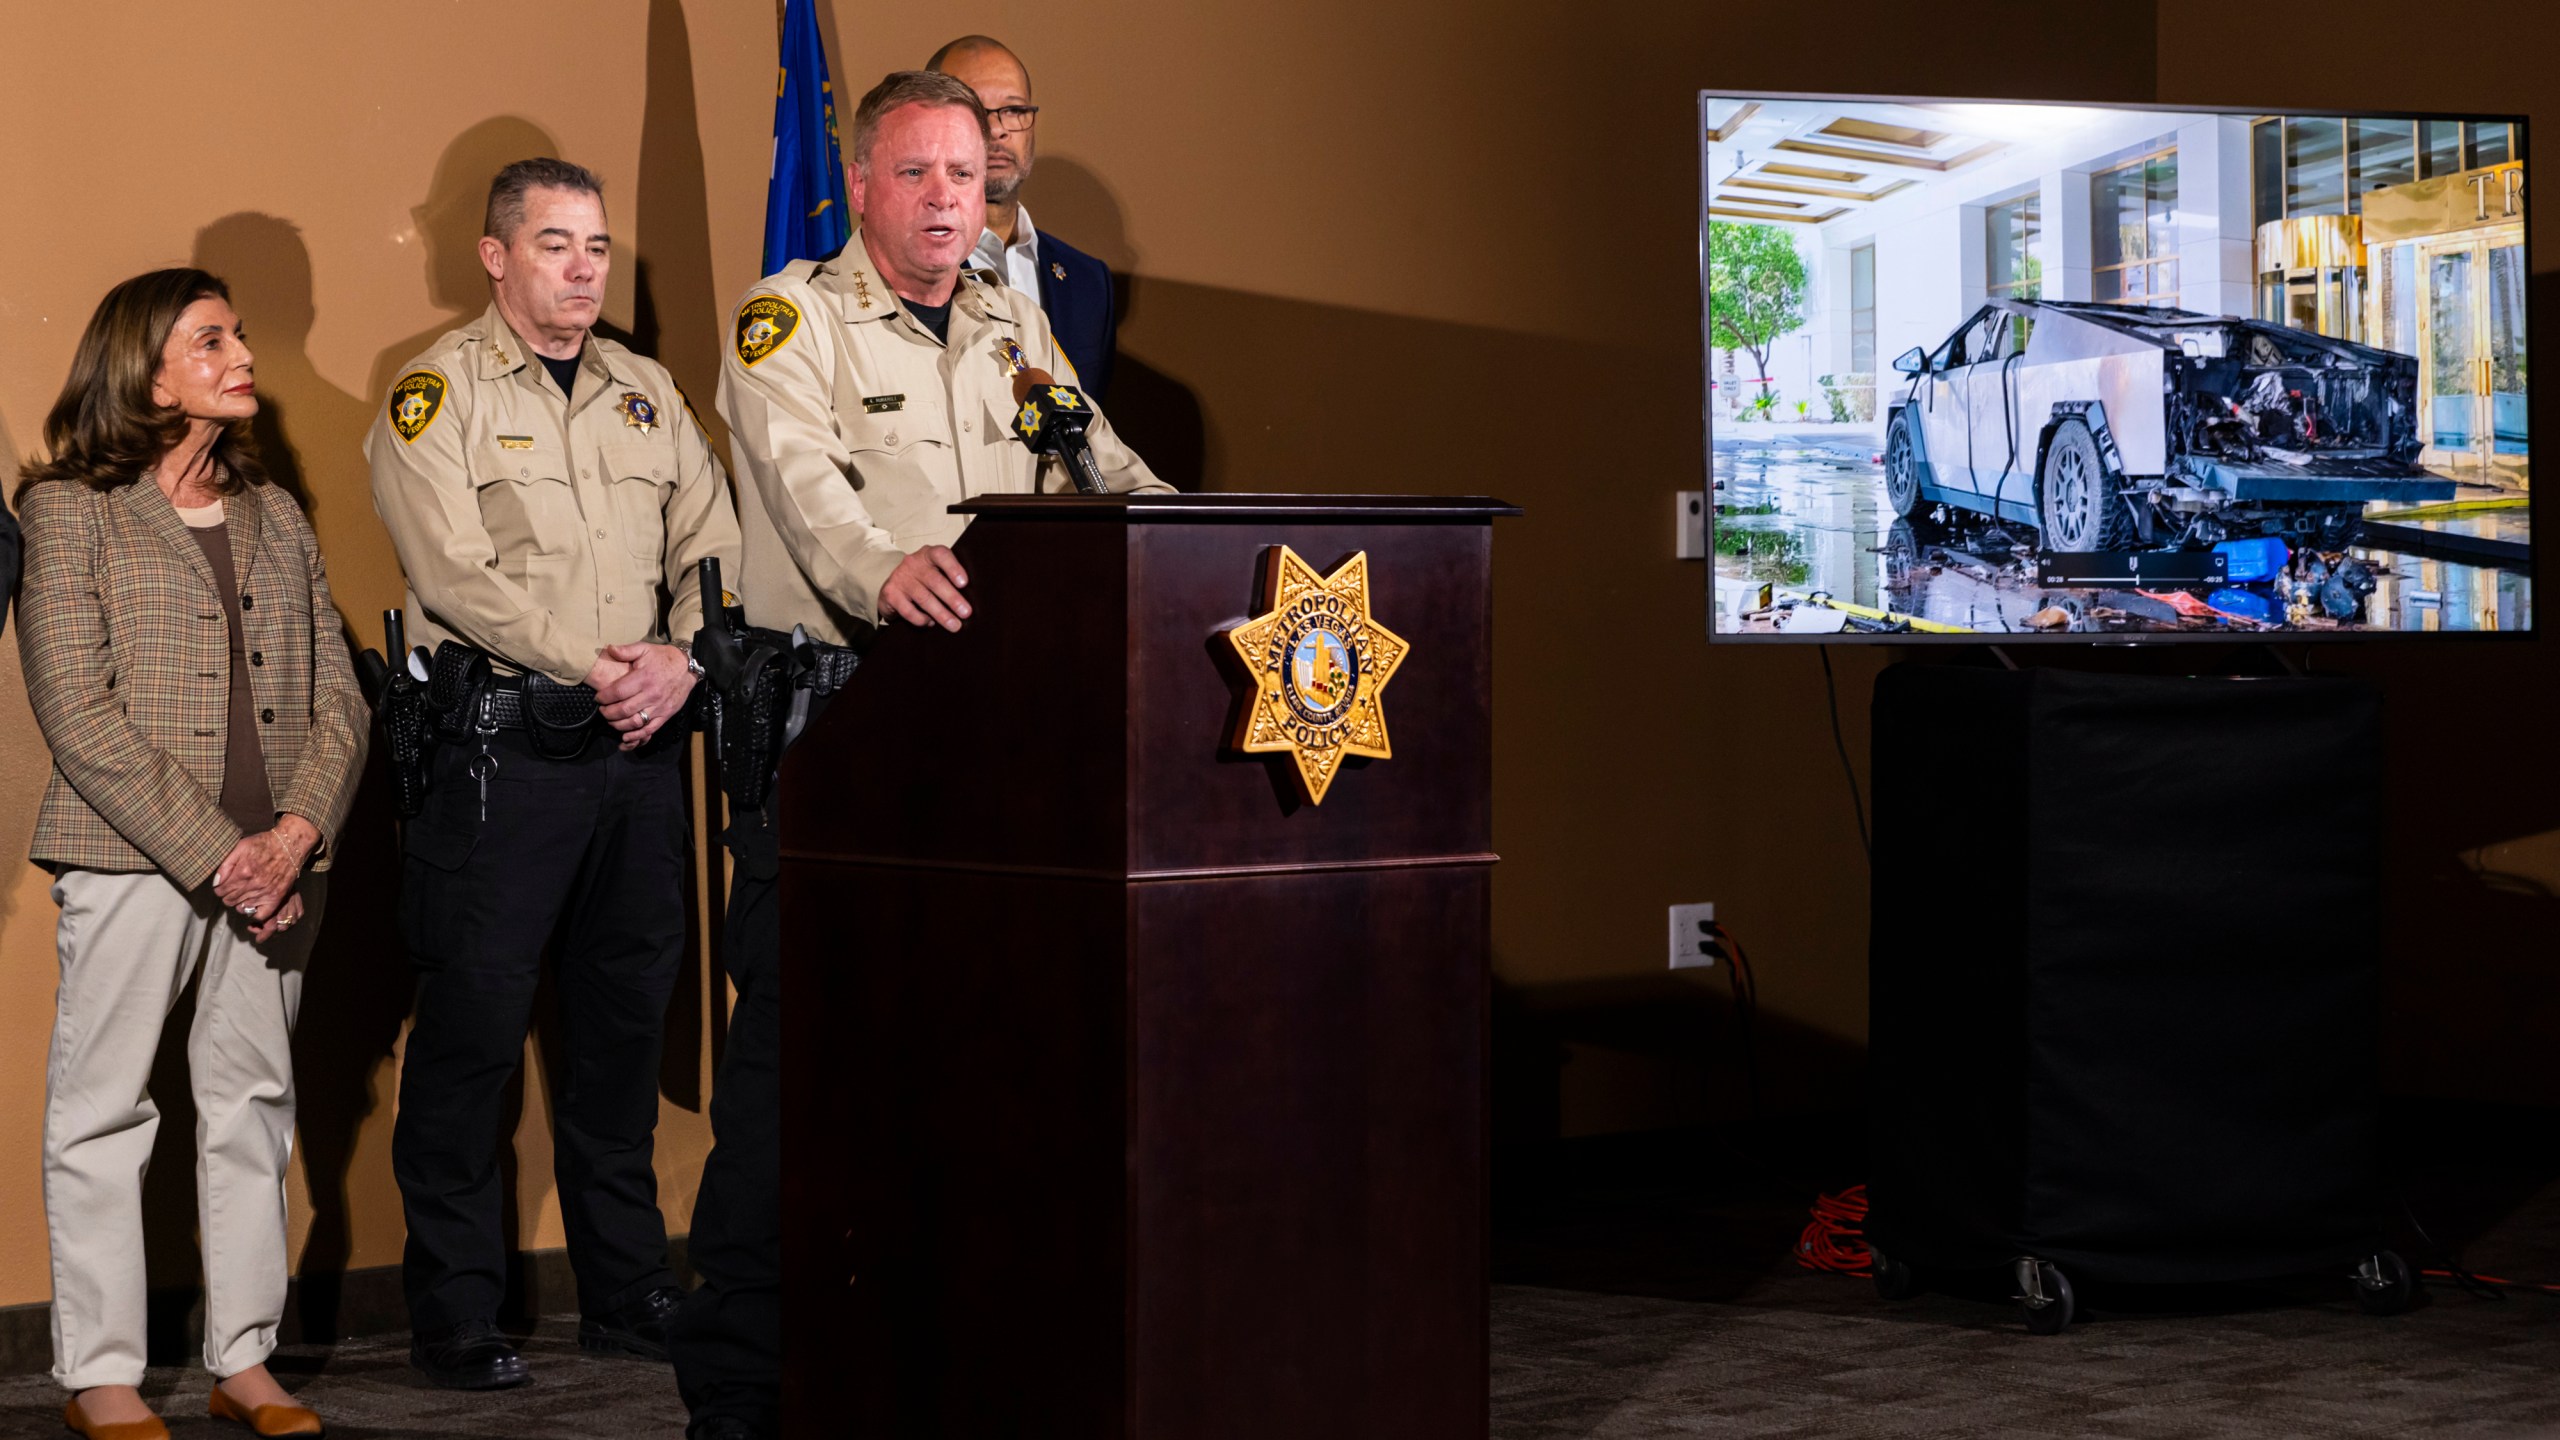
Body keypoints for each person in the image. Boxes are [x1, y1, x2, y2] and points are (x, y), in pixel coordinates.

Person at [670, 68, 1167, 1440]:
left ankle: (929, 1350)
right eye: (921, 175)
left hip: (994, 746)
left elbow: (1106, 468)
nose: (953, 197)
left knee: (974, 1060)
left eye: (967, 174)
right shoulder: (791, 321)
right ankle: (737, 1383)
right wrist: (886, 569)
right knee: (792, 1069)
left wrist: (1212, 552)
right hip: (833, 730)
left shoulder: (1017, 325)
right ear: (865, 187)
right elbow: (804, 487)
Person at [365, 157, 741, 1391]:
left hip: (637, 755)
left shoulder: (645, 390)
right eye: (556, 246)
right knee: (472, 1038)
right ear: (495, 256)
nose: (585, 269)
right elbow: (454, 576)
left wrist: (682, 662)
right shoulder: (437, 394)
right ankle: (459, 1312)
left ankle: (630, 1287)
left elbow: (710, 540)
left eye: (596, 247)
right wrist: (599, 663)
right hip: (505, 755)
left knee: (622, 1035)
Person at [17, 268, 367, 1440]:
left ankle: (245, 1362)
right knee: (103, 1113)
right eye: (209, 338)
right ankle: (102, 1375)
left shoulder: (276, 514)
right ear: (144, 372)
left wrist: (297, 835)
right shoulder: (67, 510)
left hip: (279, 865)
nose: (240, 352)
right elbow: (77, 712)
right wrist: (227, 858)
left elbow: (342, 704)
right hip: (131, 862)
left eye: (239, 334)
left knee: (251, 1107)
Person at [928, 35, 1121, 402]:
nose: (998, 130)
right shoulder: (903, 270)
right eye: (976, 112)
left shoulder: (1088, 282)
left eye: (1014, 110)